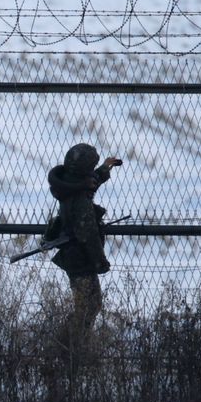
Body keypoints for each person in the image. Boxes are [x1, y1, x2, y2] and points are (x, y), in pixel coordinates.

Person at [47, 143, 122, 349]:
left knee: (86, 304)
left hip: (73, 255)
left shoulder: (69, 184)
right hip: (80, 258)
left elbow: (92, 182)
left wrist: (106, 168)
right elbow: (87, 233)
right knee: (90, 305)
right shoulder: (80, 198)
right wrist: (100, 262)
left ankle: (70, 345)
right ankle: (72, 347)